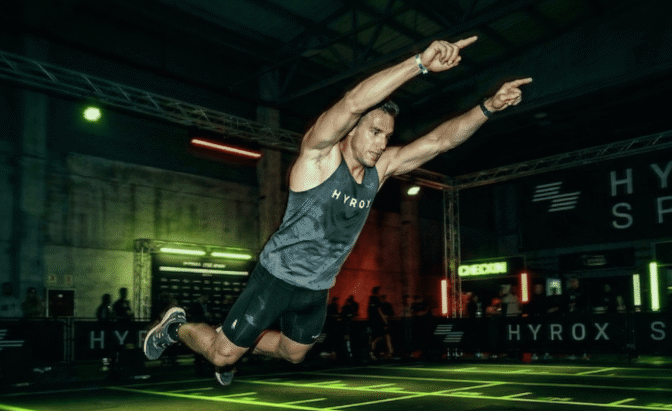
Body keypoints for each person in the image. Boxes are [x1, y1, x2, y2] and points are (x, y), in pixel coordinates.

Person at [143, 36, 531, 386]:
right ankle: (178, 327)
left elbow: (440, 141)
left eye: (387, 137)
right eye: (374, 132)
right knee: (222, 353)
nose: (381, 144)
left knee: (293, 354)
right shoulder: (319, 155)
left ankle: (232, 342)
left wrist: (488, 106)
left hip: (316, 287)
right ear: (350, 130)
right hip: (276, 277)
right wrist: (420, 65)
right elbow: (352, 102)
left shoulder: (378, 172)